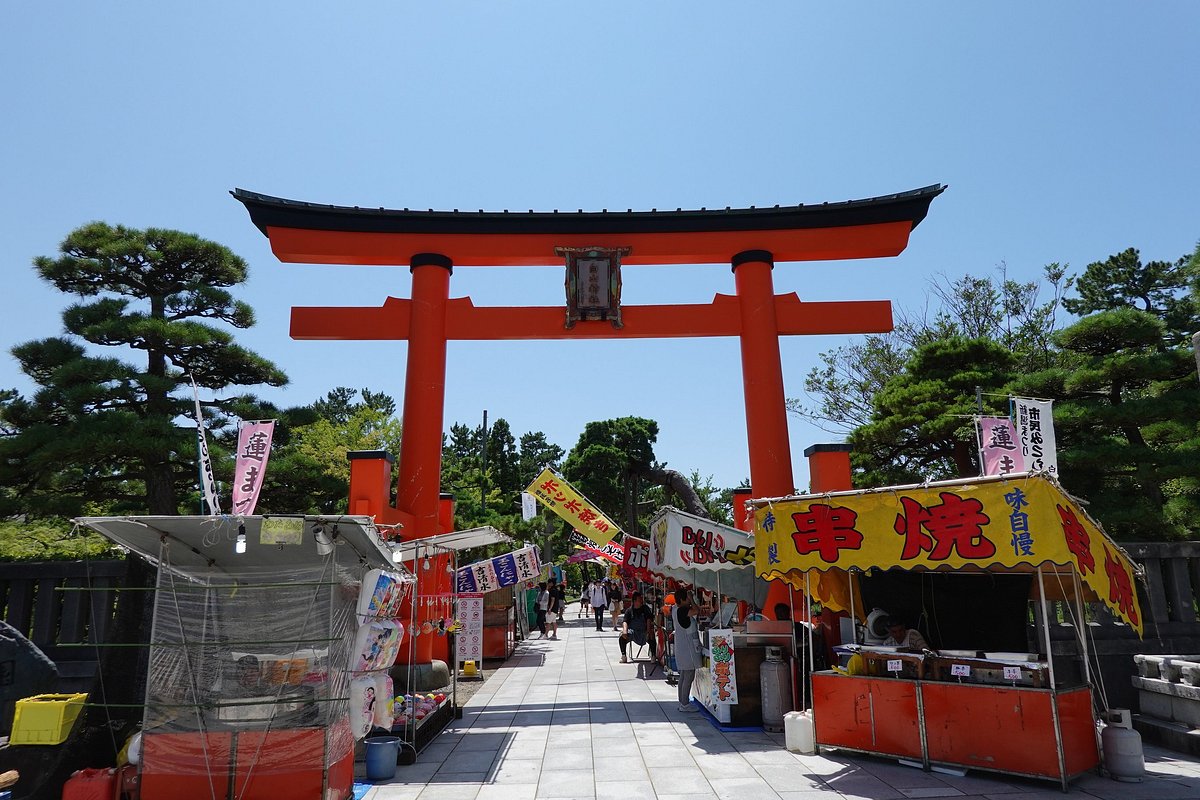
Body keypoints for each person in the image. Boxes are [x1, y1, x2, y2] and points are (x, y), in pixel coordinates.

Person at [670, 587, 704, 712]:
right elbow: (697, 610)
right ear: (684, 599)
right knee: (688, 676)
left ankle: (682, 702)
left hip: (682, 647)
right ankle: (684, 704)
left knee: (684, 676)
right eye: (687, 599)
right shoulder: (682, 610)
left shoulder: (675, 609)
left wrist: (689, 598)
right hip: (687, 648)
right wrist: (692, 599)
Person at [618, 591, 657, 664]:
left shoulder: (645, 608)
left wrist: (648, 630)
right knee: (621, 636)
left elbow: (649, 619)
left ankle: (653, 656)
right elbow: (625, 621)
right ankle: (624, 656)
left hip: (644, 631)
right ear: (634, 601)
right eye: (639, 600)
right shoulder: (629, 610)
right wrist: (625, 631)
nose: (641, 602)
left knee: (651, 635)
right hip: (633, 631)